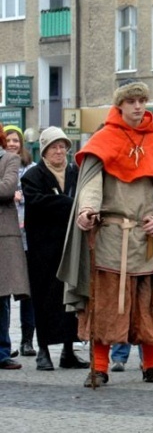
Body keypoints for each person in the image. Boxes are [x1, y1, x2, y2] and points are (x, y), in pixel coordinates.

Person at [57, 81, 153, 387]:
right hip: (110, 238)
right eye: (131, 101)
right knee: (106, 303)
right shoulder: (103, 140)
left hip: (147, 240)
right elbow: (91, 185)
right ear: (120, 105)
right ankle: (100, 367)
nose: (138, 106)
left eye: (142, 100)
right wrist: (85, 211)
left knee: (151, 303)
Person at [21, 128, 89, 371]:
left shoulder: (75, 172)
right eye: (54, 147)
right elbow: (37, 203)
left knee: (71, 297)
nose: (59, 151)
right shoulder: (34, 175)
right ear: (45, 151)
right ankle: (43, 350)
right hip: (43, 250)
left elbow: (85, 198)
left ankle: (69, 351)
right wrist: (67, 202)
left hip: (71, 245)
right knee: (44, 299)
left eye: (63, 147)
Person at [3, 124, 36, 358]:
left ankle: (26, 340)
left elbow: (7, 188)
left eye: (17, 140)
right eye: (10, 139)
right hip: (12, 232)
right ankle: (6, 342)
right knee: (4, 294)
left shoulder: (28, 168)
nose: (13, 143)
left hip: (24, 234)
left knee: (25, 291)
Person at [0, 123, 30, 370]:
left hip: (3, 235)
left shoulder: (10, 159)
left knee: (1, 296)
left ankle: (2, 350)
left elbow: (8, 187)